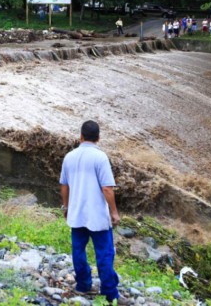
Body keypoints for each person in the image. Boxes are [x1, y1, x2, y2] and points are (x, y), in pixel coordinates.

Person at [60, 121, 129, 305]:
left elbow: (64, 186)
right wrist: (114, 212)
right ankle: (110, 293)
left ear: (80, 136)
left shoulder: (69, 157)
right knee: (105, 254)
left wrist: (66, 207)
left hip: (77, 214)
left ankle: (83, 285)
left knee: (78, 251)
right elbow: (107, 188)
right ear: (98, 138)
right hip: (97, 216)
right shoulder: (100, 158)